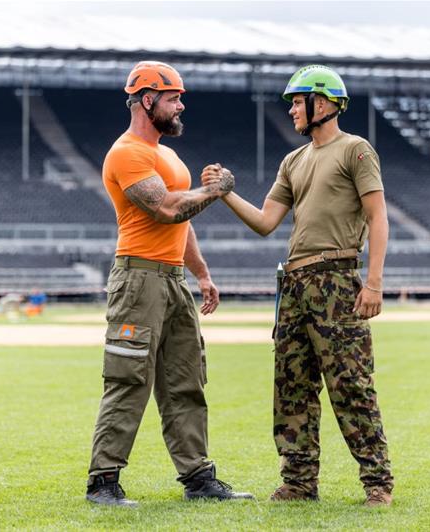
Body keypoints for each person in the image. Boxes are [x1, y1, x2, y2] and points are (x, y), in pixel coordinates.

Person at [203, 65, 394, 506]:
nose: (291, 109)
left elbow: (377, 216)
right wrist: (225, 193)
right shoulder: (293, 160)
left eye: (296, 100)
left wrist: (374, 283)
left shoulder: (356, 151)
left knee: (351, 384)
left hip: (337, 282)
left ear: (321, 103)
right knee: (291, 386)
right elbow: (267, 222)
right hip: (294, 284)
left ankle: (377, 483)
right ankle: (299, 482)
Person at [86, 60, 254, 507]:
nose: (181, 106)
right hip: (137, 279)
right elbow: (166, 208)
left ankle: (198, 477)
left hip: (173, 279)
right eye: (174, 98)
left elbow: (183, 221)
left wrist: (201, 273)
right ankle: (103, 482)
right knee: (128, 378)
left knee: (186, 379)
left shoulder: (169, 155)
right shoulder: (126, 153)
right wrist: (214, 192)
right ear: (147, 100)